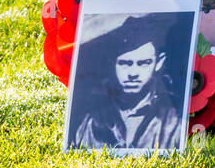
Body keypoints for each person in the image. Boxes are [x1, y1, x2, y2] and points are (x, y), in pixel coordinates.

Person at [70, 15, 186, 152]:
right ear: (112, 63)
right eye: (125, 63)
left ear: (158, 63)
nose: (133, 73)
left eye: (143, 63)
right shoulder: (91, 120)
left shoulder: (174, 119)